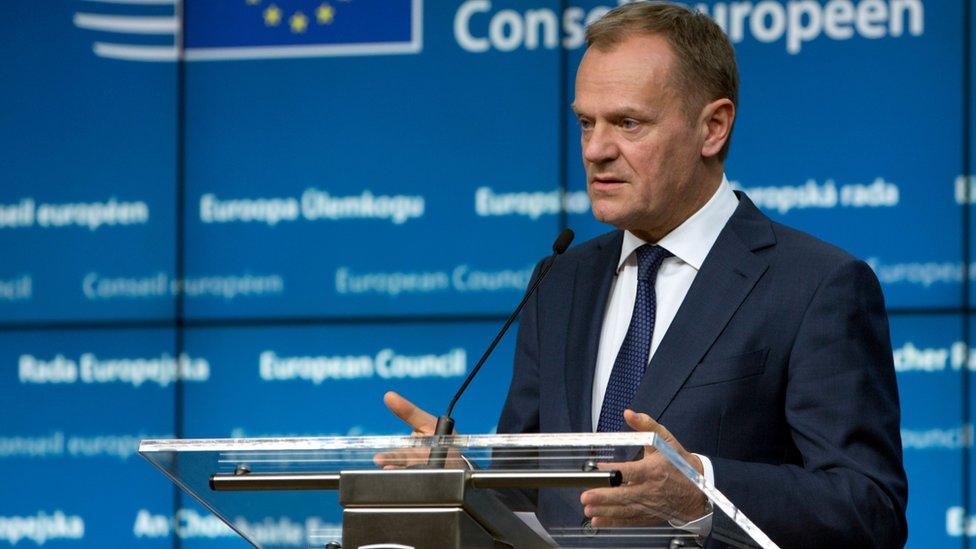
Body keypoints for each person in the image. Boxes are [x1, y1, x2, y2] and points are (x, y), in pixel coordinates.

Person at [384, 2, 907, 547]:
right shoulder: (559, 281)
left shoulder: (816, 285)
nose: (595, 150)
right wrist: (462, 486)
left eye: (628, 123)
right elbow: (526, 502)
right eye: (586, 122)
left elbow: (870, 510)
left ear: (713, 127)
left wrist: (702, 492)